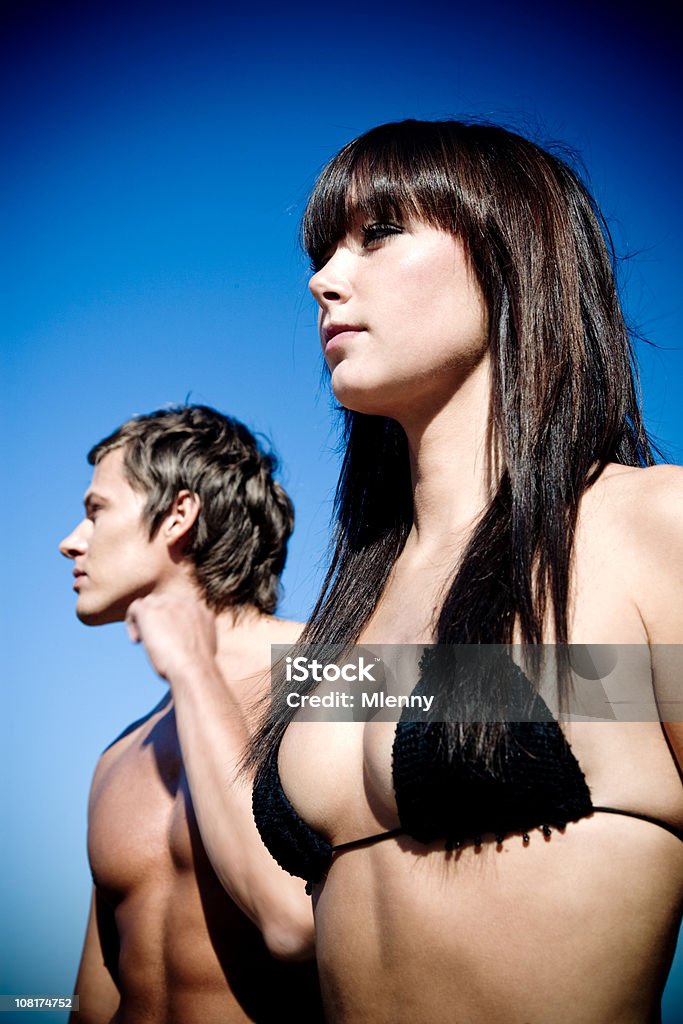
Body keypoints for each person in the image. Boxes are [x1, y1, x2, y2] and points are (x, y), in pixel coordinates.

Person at [248, 120, 683, 1022]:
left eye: (377, 234)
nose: (323, 280)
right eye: (322, 250)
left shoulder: (645, 524)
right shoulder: (350, 612)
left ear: (508, 253)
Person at [59, 404, 321, 1024]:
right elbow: (90, 1006)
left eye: (97, 511)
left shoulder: (335, 668)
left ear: (179, 515)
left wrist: (193, 669)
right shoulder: (117, 758)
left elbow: (293, 922)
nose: (71, 540)